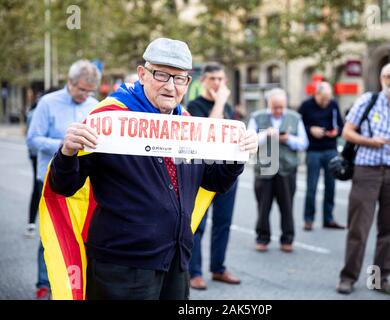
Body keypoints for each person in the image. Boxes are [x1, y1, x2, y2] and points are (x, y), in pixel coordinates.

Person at [47, 38, 258, 300]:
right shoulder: (109, 119)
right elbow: (64, 186)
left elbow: (214, 182)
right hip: (123, 266)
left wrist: (237, 156)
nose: (170, 86)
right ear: (142, 74)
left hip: (176, 261)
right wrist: (67, 153)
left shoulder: (189, 126)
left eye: (179, 78)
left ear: (187, 83)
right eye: (161, 75)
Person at [337, 62, 390, 295]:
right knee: (359, 227)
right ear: (382, 79)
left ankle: (379, 279)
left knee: (389, 228)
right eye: (388, 76)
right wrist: (370, 142)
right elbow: (347, 132)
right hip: (367, 171)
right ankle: (348, 277)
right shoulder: (367, 100)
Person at [27, 60, 100, 299]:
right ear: (69, 82)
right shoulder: (48, 103)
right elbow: (33, 139)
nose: (85, 95)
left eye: (89, 91)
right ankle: (44, 285)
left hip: (83, 185)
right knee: (52, 233)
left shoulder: (96, 106)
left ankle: (73, 286)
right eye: (81, 89)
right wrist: (63, 146)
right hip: (50, 178)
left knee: (78, 233)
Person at [187, 63, 241, 290]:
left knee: (224, 222)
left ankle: (218, 268)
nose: (218, 84)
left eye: (221, 79)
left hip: (226, 172)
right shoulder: (194, 105)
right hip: (203, 171)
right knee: (198, 223)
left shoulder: (228, 107)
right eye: (213, 79)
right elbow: (209, 134)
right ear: (203, 81)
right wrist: (218, 103)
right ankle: (194, 272)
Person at [248, 88, 309, 253]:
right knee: (263, 207)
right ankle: (262, 238)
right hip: (264, 168)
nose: (279, 111)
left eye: (282, 107)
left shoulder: (295, 118)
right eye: (275, 107)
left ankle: (287, 239)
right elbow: (249, 141)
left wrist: (288, 139)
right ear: (269, 104)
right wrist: (266, 135)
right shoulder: (257, 117)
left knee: (287, 207)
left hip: (287, 169)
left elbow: (304, 143)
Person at [298, 81, 345, 231]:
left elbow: (341, 125)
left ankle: (328, 218)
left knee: (331, 186)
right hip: (313, 150)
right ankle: (308, 219)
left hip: (330, 148)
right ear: (316, 94)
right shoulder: (306, 105)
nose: (326, 102)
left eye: (328, 99)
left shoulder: (333, 104)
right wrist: (310, 129)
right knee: (312, 186)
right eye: (323, 98)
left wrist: (336, 132)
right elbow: (297, 125)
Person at [24, 87, 59, 238]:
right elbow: (31, 137)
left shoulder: (34, 110)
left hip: (36, 154)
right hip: (38, 155)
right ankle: (34, 222)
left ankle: (31, 222)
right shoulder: (39, 111)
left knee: (36, 188)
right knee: (39, 187)